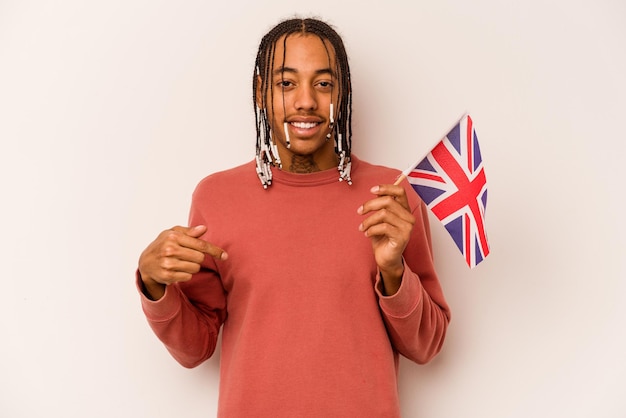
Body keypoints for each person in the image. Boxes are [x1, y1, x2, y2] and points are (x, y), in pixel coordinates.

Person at [137, 17, 451, 417]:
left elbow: (426, 346)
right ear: (260, 92)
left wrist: (393, 273)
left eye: (323, 83)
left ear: (343, 91)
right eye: (286, 83)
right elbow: (195, 347)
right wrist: (153, 285)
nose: (306, 101)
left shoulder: (391, 194)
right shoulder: (216, 197)